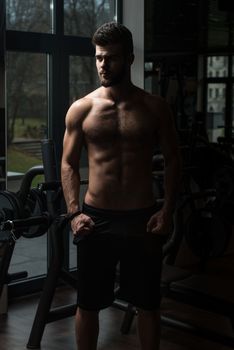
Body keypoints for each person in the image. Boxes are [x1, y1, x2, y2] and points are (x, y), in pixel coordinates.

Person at [61, 21, 182, 350]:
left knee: (148, 304)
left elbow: (173, 159)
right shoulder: (82, 109)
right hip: (95, 220)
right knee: (87, 304)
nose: (103, 64)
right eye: (99, 57)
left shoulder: (155, 108)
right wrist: (73, 214)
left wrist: (167, 210)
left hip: (142, 220)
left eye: (111, 58)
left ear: (129, 59)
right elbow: (68, 163)